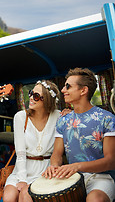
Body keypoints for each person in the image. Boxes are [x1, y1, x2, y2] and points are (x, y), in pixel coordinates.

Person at [43, 68, 115, 202]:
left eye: (68, 86)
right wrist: (53, 166)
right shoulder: (63, 120)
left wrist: (77, 166)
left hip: (101, 178)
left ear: (83, 90)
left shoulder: (107, 119)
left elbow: (111, 161)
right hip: (71, 178)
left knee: (94, 199)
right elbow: (57, 155)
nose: (63, 90)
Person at [3, 80, 61, 202]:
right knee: (8, 197)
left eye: (36, 96)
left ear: (48, 100)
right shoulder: (20, 117)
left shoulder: (58, 117)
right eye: (31, 93)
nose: (31, 98)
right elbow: (20, 152)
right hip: (22, 167)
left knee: (25, 195)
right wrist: (22, 179)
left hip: (45, 169)